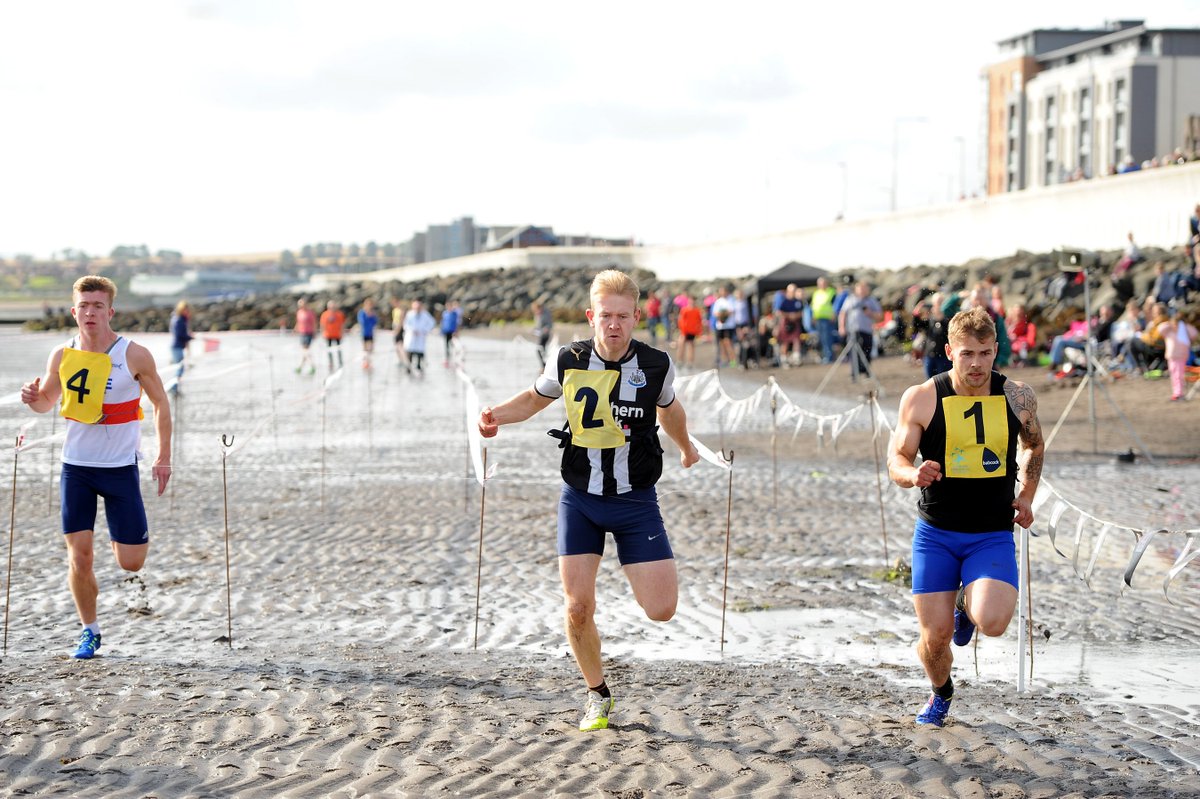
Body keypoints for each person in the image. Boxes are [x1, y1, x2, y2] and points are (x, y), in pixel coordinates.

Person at [477, 269, 700, 732]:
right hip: (579, 499)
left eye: (622, 316)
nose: (613, 325)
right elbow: (534, 399)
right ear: (590, 316)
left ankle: (631, 580)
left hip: (636, 501)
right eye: (605, 316)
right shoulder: (569, 359)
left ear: (637, 317)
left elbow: (670, 410)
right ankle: (597, 694)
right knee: (578, 607)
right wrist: (496, 415)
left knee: (661, 610)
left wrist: (686, 446)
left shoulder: (656, 364)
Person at [887, 306, 1045, 728]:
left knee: (992, 623)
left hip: (990, 532)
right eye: (966, 354)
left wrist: (1027, 494)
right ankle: (941, 693)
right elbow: (897, 458)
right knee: (935, 638)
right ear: (949, 352)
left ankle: (965, 602)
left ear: (996, 351)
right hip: (936, 533)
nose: (976, 364)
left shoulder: (1018, 397)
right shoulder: (923, 396)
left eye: (984, 353)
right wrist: (912, 473)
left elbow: (1034, 445)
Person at [19, 275, 173, 659]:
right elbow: (46, 403)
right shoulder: (62, 354)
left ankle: (117, 538)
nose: (90, 313)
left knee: (131, 562)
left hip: (120, 469)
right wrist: (33, 398)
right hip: (77, 469)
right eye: (84, 306)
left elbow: (161, 406)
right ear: (74, 311)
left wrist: (164, 456)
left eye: (98, 306)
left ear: (110, 311)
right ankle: (90, 630)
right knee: (80, 557)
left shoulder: (133, 355)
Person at [838, 281, 882, 381]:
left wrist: (870, 313)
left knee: (867, 351)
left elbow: (880, 316)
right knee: (854, 352)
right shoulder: (850, 299)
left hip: (867, 330)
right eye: (860, 288)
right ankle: (855, 373)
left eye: (864, 288)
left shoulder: (871, 301)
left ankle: (866, 371)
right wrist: (841, 327)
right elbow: (843, 313)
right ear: (856, 289)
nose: (862, 291)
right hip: (853, 331)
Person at [1157, 307, 1199, 401]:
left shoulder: (1184, 332)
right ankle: (1176, 392)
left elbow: (1194, 333)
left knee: (1179, 375)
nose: (1175, 325)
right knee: (1173, 375)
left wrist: (1184, 325)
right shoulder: (1169, 331)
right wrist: (1169, 323)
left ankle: (1179, 393)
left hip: (1181, 356)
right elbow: (1160, 329)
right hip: (1171, 356)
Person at [402, 299, 436, 373]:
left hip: (421, 335)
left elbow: (432, 323)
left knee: (419, 352)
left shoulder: (425, 314)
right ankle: (408, 367)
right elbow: (406, 324)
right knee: (410, 352)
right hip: (411, 336)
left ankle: (419, 367)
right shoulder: (409, 314)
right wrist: (411, 330)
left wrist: (425, 330)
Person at [810, 277, 837, 363]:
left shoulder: (831, 292)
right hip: (818, 319)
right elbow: (814, 306)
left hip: (828, 319)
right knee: (822, 339)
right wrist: (813, 317)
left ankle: (829, 357)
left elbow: (835, 305)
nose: (822, 285)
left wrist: (834, 315)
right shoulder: (816, 293)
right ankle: (825, 356)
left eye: (823, 283)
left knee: (827, 338)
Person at [710, 285, 738, 367]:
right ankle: (725, 360)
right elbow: (715, 313)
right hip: (720, 326)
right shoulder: (719, 301)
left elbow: (732, 311)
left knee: (728, 343)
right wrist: (721, 315)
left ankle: (733, 361)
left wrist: (723, 314)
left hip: (729, 326)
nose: (722, 293)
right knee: (722, 344)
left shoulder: (731, 300)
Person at [168, 300, 193, 391]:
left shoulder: (180, 319)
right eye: (185, 310)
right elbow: (180, 334)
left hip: (177, 346)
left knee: (179, 367)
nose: (187, 311)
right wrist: (190, 337)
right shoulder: (178, 320)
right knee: (180, 367)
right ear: (181, 309)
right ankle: (173, 387)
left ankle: (174, 386)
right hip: (176, 347)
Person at [676, 295, 703, 369]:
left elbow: (699, 321)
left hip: (692, 331)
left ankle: (690, 362)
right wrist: (682, 330)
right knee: (681, 345)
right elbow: (681, 320)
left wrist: (699, 331)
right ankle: (679, 361)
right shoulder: (684, 310)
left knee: (690, 346)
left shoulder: (697, 310)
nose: (692, 302)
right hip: (684, 331)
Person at [320, 300, 345, 371]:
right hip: (328, 335)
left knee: (338, 350)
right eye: (331, 306)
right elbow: (322, 325)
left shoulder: (339, 314)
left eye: (333, 306)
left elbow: (342, 324)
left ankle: (340, 363)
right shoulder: (325, 314)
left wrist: (342, 333)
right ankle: (331, 363)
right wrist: (323, 333)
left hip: (337, 335)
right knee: (329, 350)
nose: (332, 308)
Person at [294, 298, 316, 375]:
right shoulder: (299, 312)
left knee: (305, 351)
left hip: (308, 333)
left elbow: (314, 323)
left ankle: (311, 366)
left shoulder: (310, 313)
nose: (300, 306)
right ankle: (301, 367)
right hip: (302, 333)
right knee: (304, 352)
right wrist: (295, 329)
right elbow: (298, 322)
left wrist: (314, 332)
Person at [356, 298, 379, 369]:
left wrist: (371, 316)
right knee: (365, 349)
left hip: (371, 333)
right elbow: (362, 322)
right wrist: (367, 315)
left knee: (371, 349)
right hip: (364, 333)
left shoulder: (373, 313)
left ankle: (369, 362)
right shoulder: (362, 312)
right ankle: (365, 362)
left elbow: (375, 322)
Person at [440, 299, 462, 367]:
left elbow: (457, 323)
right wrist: (441, 331)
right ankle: (447, 359)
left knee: (454, 346)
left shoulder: (454, 313)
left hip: (453, 332)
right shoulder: (444, 313)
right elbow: (443, 322)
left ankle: (455, 359)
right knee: (446, 346)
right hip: (446, 331)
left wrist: (456, 331)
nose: (448, 307)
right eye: (447, 306)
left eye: (449, 306)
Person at [532, 301, 554, 367]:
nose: (536, 311)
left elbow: (550, 324)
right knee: (541, 351)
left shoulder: (546, 313)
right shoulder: (537, 315)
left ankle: (544, 365)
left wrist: (546, 328)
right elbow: (537, 325)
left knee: (540, 350)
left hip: (545, 335)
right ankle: (544, 365)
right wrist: (534, 330)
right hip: (540, 334)